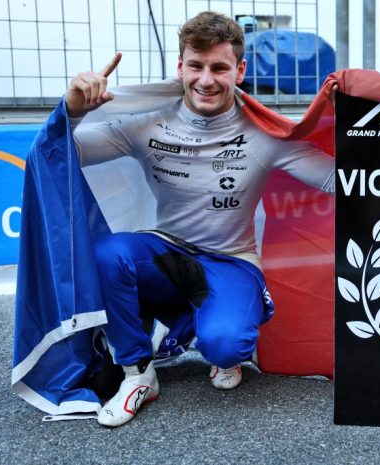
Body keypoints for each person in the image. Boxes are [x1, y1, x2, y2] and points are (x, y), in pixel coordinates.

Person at [65, 11, 335, 427]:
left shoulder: (266, 135)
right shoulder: (147, 124)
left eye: (219, 68)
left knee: (225, 345)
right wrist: (71, 111)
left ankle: (207, 329)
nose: (206, 80)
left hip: (231, 260)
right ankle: (138, 374)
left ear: (239, 71)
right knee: (108, 252)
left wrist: (374, 129)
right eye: (196, 66)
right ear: (180, 67)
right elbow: (63, 153)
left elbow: (339, 179)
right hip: (165, 253)